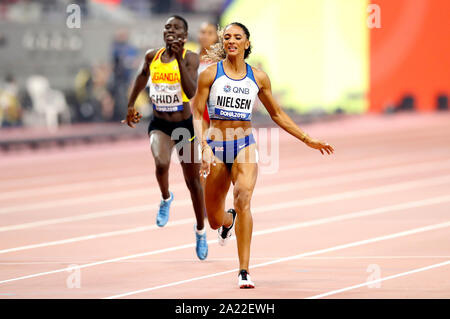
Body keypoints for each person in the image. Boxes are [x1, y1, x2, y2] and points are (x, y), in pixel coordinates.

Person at [192, 22, 334, 288]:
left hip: (244, 144)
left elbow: (277, 114)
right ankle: (229, 219)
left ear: (247, 43)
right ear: (223, 44)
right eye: (227, 37)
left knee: (243, 196)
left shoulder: (258, 77)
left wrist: (307, 138)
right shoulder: (210, 75)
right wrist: (204, 146)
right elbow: (197, 114)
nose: (231, 41)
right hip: (217, 144)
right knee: (213, 220)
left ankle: (243, 271)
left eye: (237, 37)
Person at [123, 15, 208, 261]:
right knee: (161, 162)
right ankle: (166, 198)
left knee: (193, 183)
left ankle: (200, 231)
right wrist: (130, 105)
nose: (170, 31)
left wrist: (180, 58)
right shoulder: (153, 56)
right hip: (160, 123)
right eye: (167, 27)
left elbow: (191, 91)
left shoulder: (191, 57)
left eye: (176, 28)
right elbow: (141, 75)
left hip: (183, 125)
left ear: (185, 34)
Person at [197, 22, 219, 134]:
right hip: (198, 108)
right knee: (203, 145)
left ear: (216, 37)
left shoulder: (223, 60)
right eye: (203, 32)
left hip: (218, 108)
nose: (205, 36)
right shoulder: (190, 58)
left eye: (210, 33)